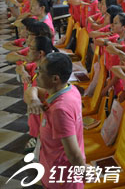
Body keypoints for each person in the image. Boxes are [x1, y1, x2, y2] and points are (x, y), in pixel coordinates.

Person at [23, 52, 86, 189]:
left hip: (61, 177)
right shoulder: (69, 89)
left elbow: (73, 154)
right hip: (52, 166)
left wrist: (84, 172)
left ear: (55, 79)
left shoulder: (60, 110)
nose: (36, 74)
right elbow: (32, 90)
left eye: (40, 72)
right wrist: (33, 100)